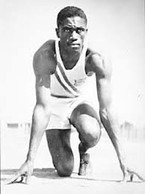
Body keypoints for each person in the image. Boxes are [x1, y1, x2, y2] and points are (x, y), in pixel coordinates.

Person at [7, 6, 144, 184]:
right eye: (67, 30)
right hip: (53, 104)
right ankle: (64, 154)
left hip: (77, 102)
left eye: (79, 30)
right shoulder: (45, 55)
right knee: (64, 169)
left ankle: (84, 151)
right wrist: (29, 160)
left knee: (92, 133)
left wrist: (124, 162)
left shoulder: (96, 58)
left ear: (86, 32)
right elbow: (42, 107)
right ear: (57, 32)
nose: (73, 36)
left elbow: (106, 109)